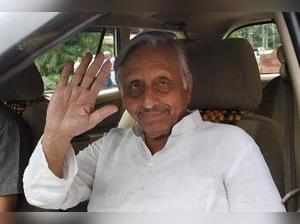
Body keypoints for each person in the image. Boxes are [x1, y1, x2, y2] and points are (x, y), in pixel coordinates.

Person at [23, 31, 285, 212]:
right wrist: (56, 136)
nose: (148, 101)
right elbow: (46, 196)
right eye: (134, 85)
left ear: (187, 87)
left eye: (163, 82)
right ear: (123, 93)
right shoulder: (110, 146)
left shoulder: (232, 144)